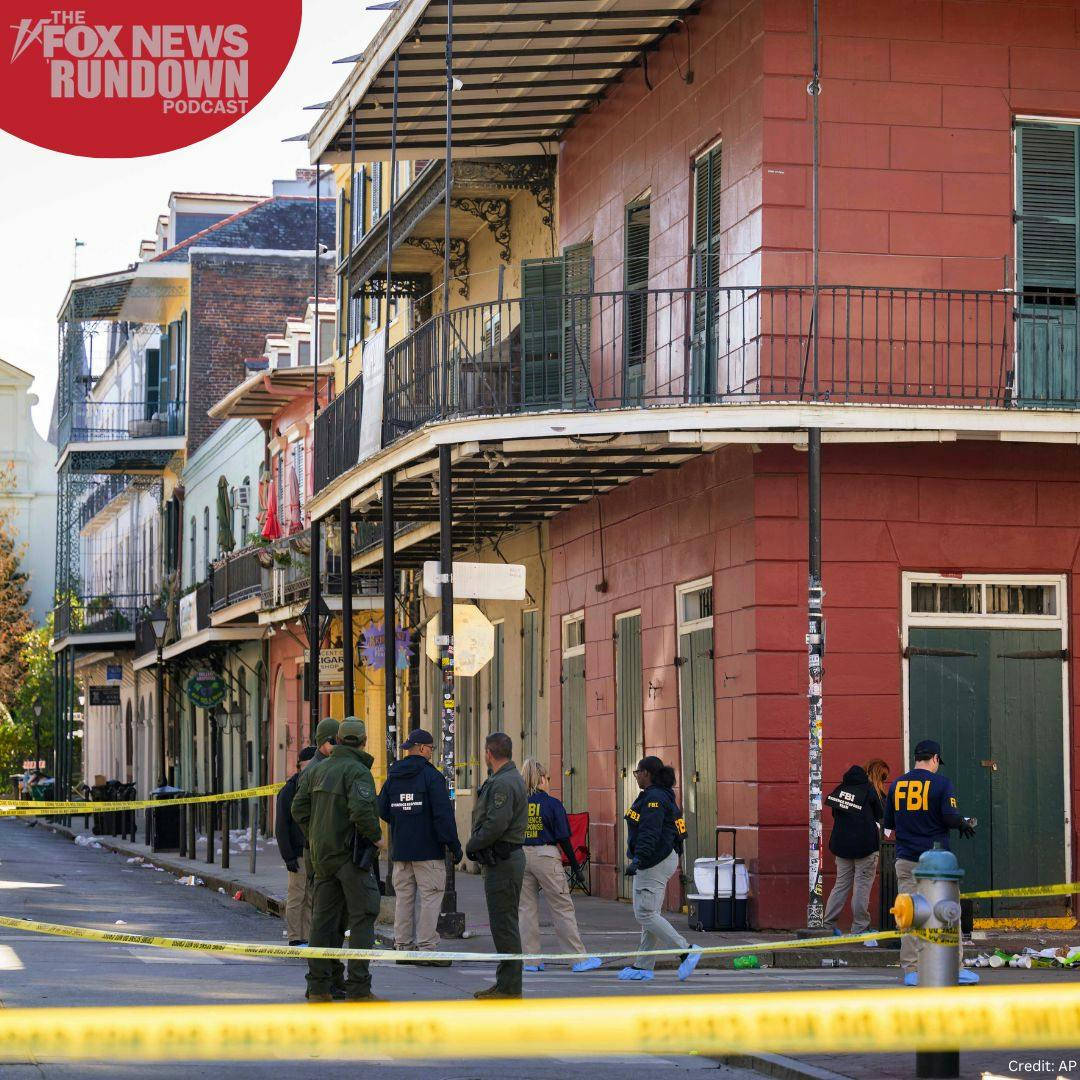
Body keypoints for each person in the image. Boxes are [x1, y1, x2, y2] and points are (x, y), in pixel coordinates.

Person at [292, 717, 382, 1002]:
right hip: (350, 857)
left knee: (322, 922)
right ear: (364, 741)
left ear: (339, 740)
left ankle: (318, 987)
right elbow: (361, 812)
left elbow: (298, 808)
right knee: (363, 917)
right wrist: (377, 837)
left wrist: (317, 833)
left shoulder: (316, 770)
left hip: (322, 857)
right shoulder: (357, 771)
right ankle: (358, 987)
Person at [883, 739, 976, 986]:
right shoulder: (942, 784)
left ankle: (913, 970)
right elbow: (949, 816)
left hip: (906, 859)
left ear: (916, 758)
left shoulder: (897, 785)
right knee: (947, 913)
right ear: (935, 758)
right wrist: (962, 823)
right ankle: (953, 969)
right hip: (938, 865)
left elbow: (889, 825)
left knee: (911, 914)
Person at [378, 728, 462, 966]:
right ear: (424, 749)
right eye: (431, 749)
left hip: (402, 850)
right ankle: (426, 949)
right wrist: (454, 846)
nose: (431, 753)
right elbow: (443, 816)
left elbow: (381, 808)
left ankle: (403, 946)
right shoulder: (432, 777)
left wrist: (401, 821)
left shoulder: (394, 775)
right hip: (428, 851)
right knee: (430, 898)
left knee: (404, 899)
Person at [619, 756, 701, 982]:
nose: (635, 776)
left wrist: (638, 860)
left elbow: (649, 832)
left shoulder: (654, 798)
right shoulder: (661, 795)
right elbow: (678, 829)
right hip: (660, 859)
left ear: (646, 773)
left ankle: (686, 951)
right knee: (650, 914)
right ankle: (643, 965)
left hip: (653, 861)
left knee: (645, 913)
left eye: (637, 772)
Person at [518, 759, 601, 973]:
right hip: (546, 854)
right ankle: (577, 959)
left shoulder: (517, 804)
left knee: (526, 910)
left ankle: (531, 961)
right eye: (548, 778)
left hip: (521, 855)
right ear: (541, 779)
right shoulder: (552, 804)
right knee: (562, 907)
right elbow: (564, 838)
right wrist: (575, 866)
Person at [465, 731, 528, 999]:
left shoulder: (503, 783)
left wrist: (473, 844)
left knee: (504, 925)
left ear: (488, 753)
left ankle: (510, 987)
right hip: (502, 859)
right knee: (503, 924)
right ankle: (505, 982)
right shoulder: (504, 779)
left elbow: (496, 823)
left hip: (503, 860)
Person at [822, 760, 885, 944]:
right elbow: (879, 814)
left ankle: (828, 925)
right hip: (865, 847)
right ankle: (860, 927)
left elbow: (835, 814)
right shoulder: (869, 790)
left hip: (842, 847)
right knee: (862, 887)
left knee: (840, 885)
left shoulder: (840, 790)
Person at [277, 744, 317, 945]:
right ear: (300, 765)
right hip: (298, 852)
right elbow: (282, 825)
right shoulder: (290, 789)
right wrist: (288, 856)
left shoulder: (313, 783)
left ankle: (307, 936)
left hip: (312, 851)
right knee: (297, 897)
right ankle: (295, 938)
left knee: (310, 897)